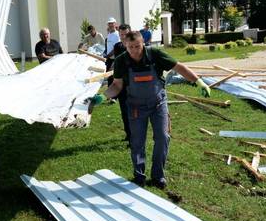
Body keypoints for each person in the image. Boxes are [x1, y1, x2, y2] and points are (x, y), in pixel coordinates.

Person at [87, 31, 211, 189]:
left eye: (137, 46)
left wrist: (199, 82)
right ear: (125, 45)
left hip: (158, 104)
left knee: (162, 137)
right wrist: (103, 97)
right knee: (137, 141)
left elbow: (179, 67)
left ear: (143, 43)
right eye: (130, 47)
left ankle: (158, 176)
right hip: (135, 106)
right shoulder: (121, 61)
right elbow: (117, 85)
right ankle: (139, 176)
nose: (134, 50)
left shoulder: (155, 54)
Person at [111, 23, 132, 142]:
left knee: (133, 111)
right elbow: (118, 62)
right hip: (121, 84)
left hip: (133, 84)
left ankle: (134, 136)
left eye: (126, 34)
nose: (123, 37)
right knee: (124, 110)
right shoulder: (117, 46)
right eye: (121, 34)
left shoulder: (134, 46)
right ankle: (128, 134)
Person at [104, 17, 120, 83]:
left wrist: (107, 56)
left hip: (115, 60)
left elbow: (116, 48)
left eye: (112, 23)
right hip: (109, 59)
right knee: (110, 78)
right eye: (109, 23)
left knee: (114, 78)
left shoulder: (117, 35)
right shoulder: (109, 34)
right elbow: (108, 47)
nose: (110, 25)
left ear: (115, 24)